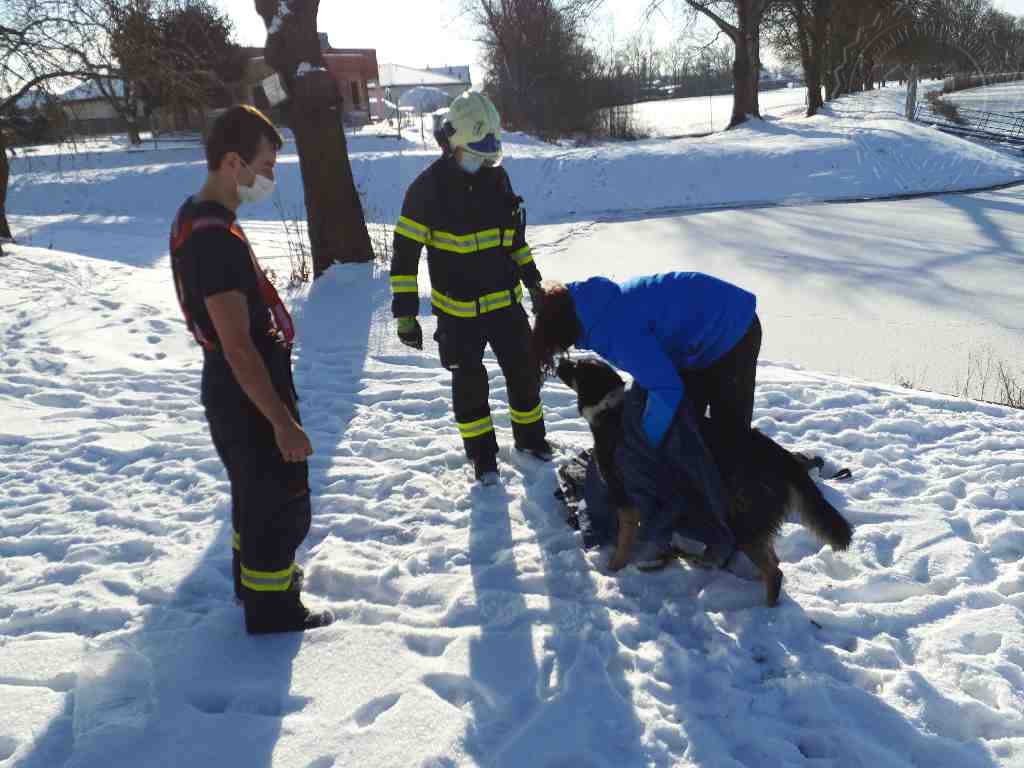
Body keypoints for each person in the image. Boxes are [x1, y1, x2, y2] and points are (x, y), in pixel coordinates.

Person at [169, 104, 332, 634]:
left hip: (239, 389)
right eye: (266, 165)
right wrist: (282, 421)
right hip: (246, 392)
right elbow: (237, 346)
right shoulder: (212, 240)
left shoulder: (203, 218)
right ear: (233, 162)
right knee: (281, 500)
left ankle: (254, 584)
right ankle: (274, 610)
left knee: (254, 494)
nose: (270, 177)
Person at [390, 91, 551, 485]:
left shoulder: (498, 179)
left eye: (489, 153)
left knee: (524, 372)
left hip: (505, 306)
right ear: (455, 143)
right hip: (458, 314)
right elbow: (405, 253)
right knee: (469, 385)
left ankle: (531, 441)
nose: (483, 160)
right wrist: (406, 313)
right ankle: (483, 457)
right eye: (476, 152)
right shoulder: (426, 190)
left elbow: (514, 240)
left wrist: (534, 282)